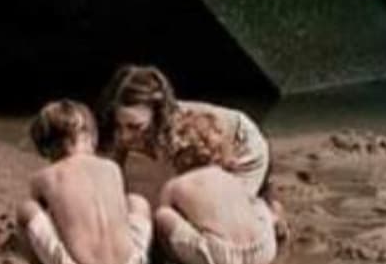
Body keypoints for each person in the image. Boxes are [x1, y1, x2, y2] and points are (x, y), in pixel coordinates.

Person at [14, 99, 152, 264]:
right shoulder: (112, 168)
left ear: (45, 146)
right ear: (90, 137)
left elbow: (46, 221)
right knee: (137, 202)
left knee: (27, 209)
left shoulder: (45, 177)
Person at [96, 64, 272, 200]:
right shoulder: (127, 129)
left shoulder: (182, 133)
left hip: (240, 143)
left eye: (135, 127)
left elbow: (203, 181)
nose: (124, 136)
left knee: (218, 212)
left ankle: (268, 210)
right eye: (119, 126)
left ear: (158, 115)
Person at [154, 165, 279, 264]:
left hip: (221, 263)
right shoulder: (231, 178)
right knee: (257, 206)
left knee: (163, 215)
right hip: (262, 251)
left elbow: (162, 234)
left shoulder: (175, 185)